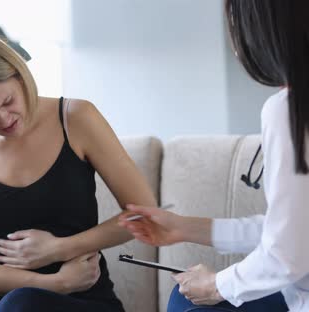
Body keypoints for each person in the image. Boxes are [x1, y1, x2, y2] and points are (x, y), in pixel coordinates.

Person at [0, 31, 157, 311]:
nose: (4, 119)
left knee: (22, 303)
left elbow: (144, 213)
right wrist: (54, 283)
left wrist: (60, 248)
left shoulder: (76, 118)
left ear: (20, 76)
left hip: (81, 300)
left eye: (8, 101)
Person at [118, 1, 309, 311]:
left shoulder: (289, 111)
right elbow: (294, 228)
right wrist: (185, 228)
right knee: (183, 298)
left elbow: (288, 252)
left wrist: (217, 285)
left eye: (233, 22)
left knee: (189, 303)